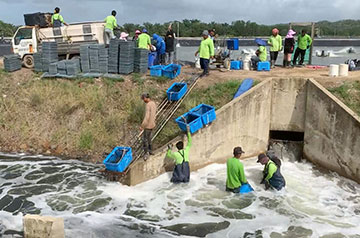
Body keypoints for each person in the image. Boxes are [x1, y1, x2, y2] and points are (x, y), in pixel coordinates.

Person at [140, 93, 157, 159]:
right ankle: (151, 150)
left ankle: (146, 153)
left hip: (148, 125)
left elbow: (147, 117)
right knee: (150, 138)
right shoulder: (153, 103)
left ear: (145, 98)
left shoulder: (148, 105)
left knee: (145, 140)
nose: (143, 100)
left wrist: (142, 126)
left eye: (143, 99)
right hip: (152, 124)